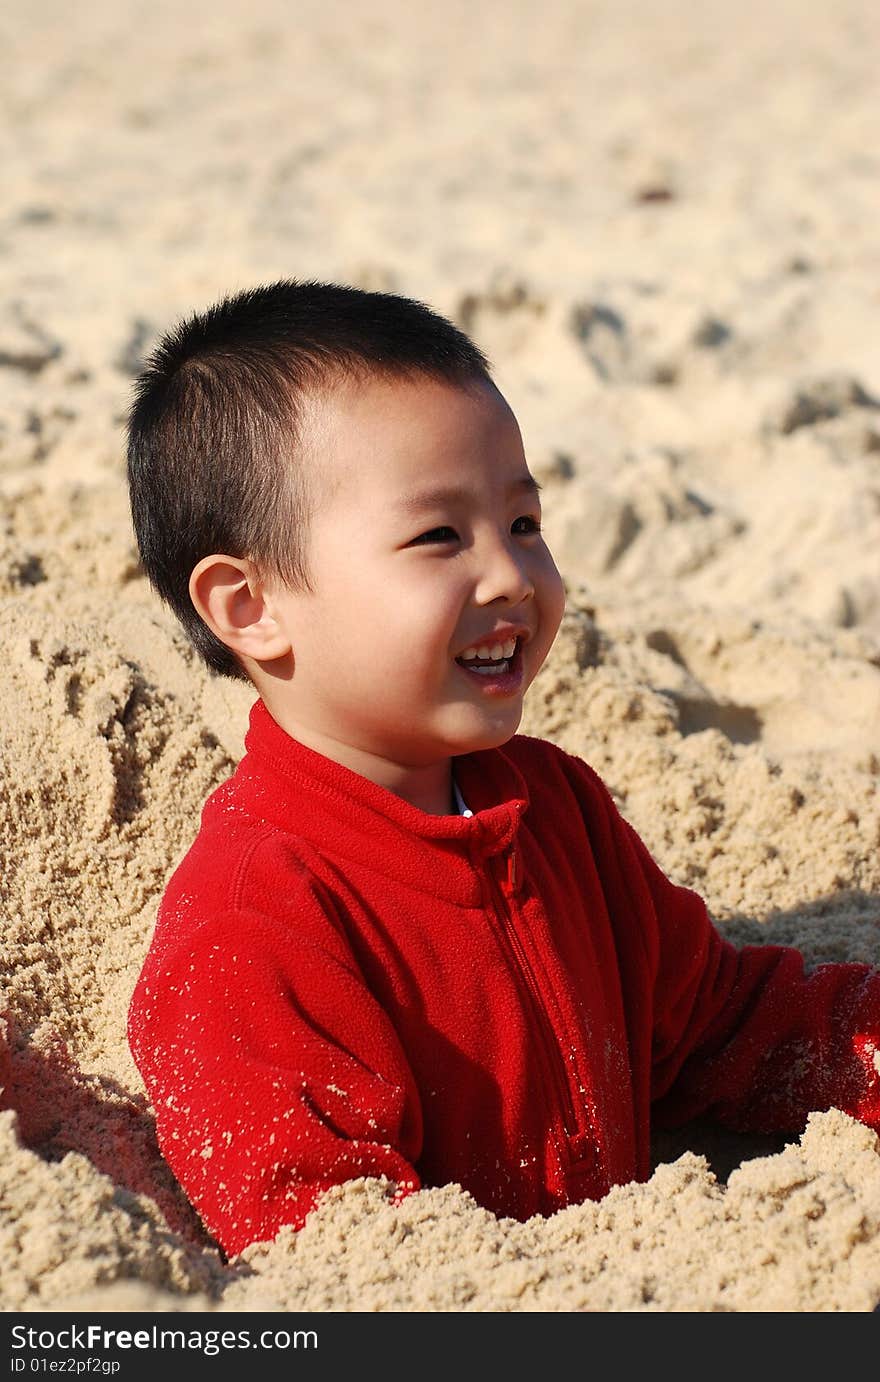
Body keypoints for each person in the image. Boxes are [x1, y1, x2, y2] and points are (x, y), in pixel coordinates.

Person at [126, 279, 880, 1258]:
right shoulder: (250, 929)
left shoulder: (553, 802)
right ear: (248, 605)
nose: (512, 575)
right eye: (440, 535)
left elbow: (713, 1023)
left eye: (523, 523)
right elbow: (332, 1254)